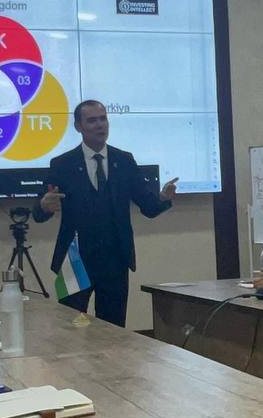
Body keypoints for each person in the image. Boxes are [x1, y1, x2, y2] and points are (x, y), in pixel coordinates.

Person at [32, 99, 178, 327]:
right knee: (69, 327)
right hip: (75, 260)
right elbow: (39, 213)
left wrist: (163, 198)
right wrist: (43, 205)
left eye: (103, 119)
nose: (100, 125)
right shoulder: (62, 164)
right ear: (78, 126)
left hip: (115, 259)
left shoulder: (124, 160)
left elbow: (148, 207)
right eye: (92, 120)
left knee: (113, 329)